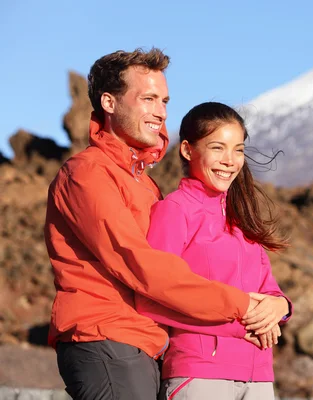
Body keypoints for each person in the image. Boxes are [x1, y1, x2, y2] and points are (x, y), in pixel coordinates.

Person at [44, 49, 269, 400]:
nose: (161, 111)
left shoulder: (145, 184)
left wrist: (275, 305)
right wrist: (242, 308)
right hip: (105, 338)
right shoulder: (87, 173)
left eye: (164, 100)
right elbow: (140, 264)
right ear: (109, 102)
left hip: (143, 344)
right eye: (148, 98)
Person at [136, 102, 292, 400]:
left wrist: (281, 307)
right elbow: (154, 298)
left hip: (259, 377)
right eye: (218, 148)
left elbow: (268, 289)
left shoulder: (241, 219)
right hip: (200, 375)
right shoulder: (174, 211)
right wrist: (239, 324)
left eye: (239, 150)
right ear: (187, 150)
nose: (230, 161)